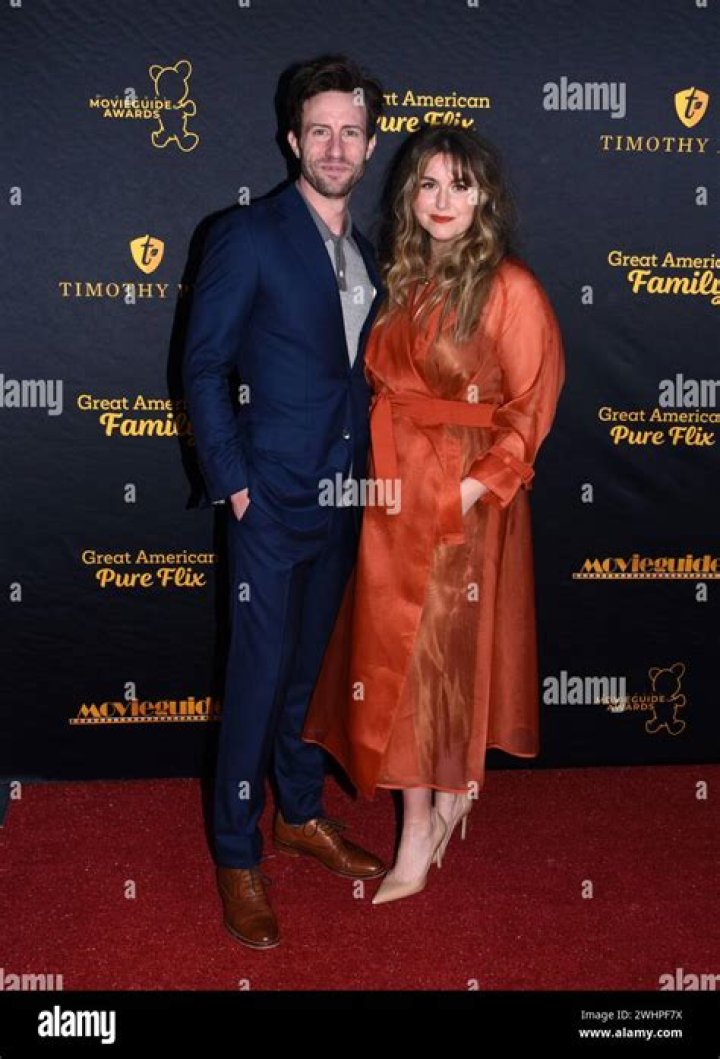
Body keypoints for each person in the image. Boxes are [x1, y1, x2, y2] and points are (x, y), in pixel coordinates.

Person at [302, 124, 566, 905]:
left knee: (442, 658)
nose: (442, 200)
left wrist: (467, 493)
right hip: (394, 494)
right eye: (427, 184)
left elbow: (530, 410)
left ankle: (431, 817)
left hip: (464, 504)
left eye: (460, 184)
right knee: (399, 660)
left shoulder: (512, 287)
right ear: (409, 197)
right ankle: (432, 807)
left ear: (485, 197)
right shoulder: (404, 279)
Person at [183, 55, 388, 949]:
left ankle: (298, 815)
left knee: (309, 677)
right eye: (320, 131)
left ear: (370, 146)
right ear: (291, 140)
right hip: (266, 500)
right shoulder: (248, 234)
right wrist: (234, 483)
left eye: (351, 132)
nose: (335, 146)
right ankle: (236, 852)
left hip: (343, 498)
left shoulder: (368, 253)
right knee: (257, 680)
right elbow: (203, 366)